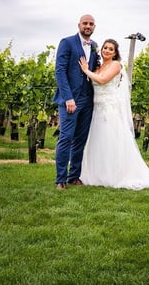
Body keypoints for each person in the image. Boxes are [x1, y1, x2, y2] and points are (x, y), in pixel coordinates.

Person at [78, 38, 149, 190]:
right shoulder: (99, 66)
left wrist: (85, 70)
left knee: (110, 142)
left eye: (111, 49)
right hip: (97, 109)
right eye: (105, 48)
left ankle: (115, 175)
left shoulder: (116, 65)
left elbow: (102, 80)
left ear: (115, 53)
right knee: (99, 142)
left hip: (109, 110)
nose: (107, 50)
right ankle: (98, 174)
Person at [53, 14, 99, 190]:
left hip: (88, 99)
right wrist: (68, 98)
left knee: (80, 140)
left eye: (91, 24)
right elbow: (60, 71)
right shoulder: (67, 42)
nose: (88, 26)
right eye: (85, 23)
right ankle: (60, 179)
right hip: (70, 100)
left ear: (94, 27)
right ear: (79, 25)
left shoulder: (94, 46)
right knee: (66, 138)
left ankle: (74, 176)